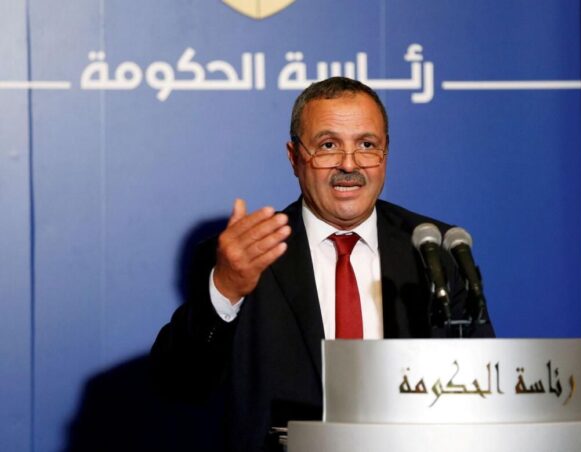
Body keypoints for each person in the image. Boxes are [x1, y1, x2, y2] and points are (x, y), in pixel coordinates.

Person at [151, 77, 494, 451]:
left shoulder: (435, 249)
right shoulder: (243, 255)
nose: (349, 164)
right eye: (328, 145)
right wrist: (227, 289)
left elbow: (481, 393)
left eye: (367, 145)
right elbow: (178, 385)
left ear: (386, 152)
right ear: (294, 157)